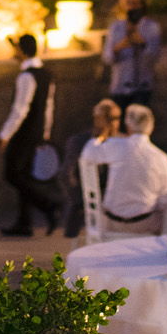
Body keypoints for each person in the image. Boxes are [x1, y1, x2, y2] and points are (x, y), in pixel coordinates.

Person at [0, 34, 58, 238]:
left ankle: (48, 205)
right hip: (36, 132)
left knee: (13, 174)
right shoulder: (46, 74)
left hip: (24, 133)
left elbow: (20, 109)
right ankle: (24, 222)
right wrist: (46, 131)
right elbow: (49, 105)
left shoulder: (26, 76)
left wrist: (5, 135)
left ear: (22, 50)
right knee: (24, 175)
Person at [96, 104, 167, 235]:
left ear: (128, 126)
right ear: (151, 127)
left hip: (111, 221)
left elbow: (88, 154)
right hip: (143, 223)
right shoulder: (161, 157)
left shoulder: (113, 146)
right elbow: (165, 198)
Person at [60, 98, 122, 238]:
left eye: (117, 118)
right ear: (97, 119)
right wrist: (82, 199)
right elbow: (66, 174)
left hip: (117, 203)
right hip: (86, 201)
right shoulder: (79, 142)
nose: (114, 123)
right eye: (109, 118)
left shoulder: (123, 142)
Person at [102, 0, 162, 115]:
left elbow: (155, 56)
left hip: (143, 85)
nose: (132, 8)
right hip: (120, 85)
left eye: (135, 4)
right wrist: (118, 47)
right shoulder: (116, 28)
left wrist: (143, 44)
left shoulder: (151, 27)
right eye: (128, 4)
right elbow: (107, 57)